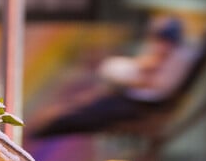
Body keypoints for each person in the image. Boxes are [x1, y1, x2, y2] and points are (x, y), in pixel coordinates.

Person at [30, 14, 197, 138]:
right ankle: (40, 126)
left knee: (74, 114)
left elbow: (150, 83)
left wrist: (139, 72)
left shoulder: (177, 57)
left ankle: (37, 129)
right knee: (78, 106)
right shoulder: (174, 56)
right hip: (132, 99)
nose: (157, 46)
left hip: (138, 105)